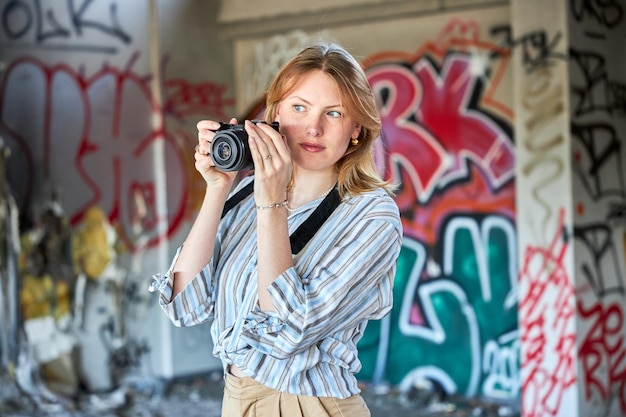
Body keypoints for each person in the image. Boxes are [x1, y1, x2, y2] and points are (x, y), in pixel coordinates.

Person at [149, 42, 402, 417]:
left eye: (333, 113)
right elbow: (185, 305)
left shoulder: (372, 217)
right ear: (276, 113)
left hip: (310, 405)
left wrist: (271, 206)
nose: (313, 128)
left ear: (356, 129)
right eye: (299, 107)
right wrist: (218, 188)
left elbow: (288, 332)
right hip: (236, 400)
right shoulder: (246, 194)